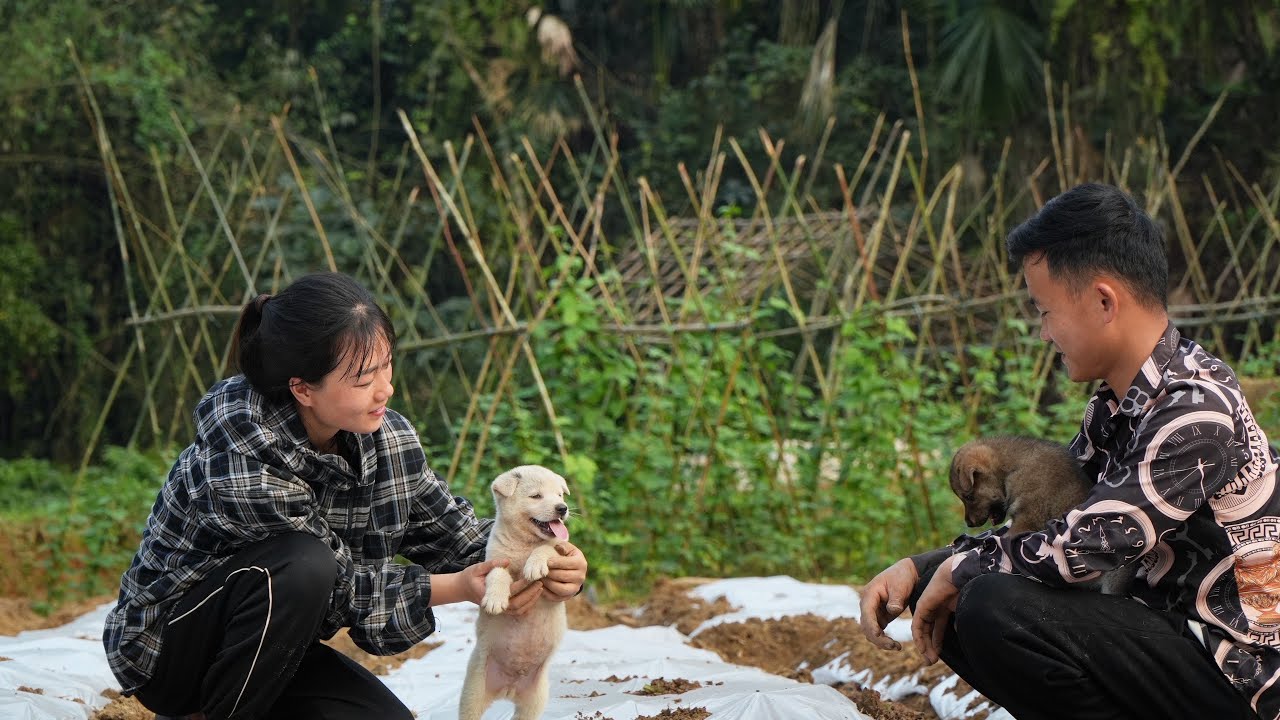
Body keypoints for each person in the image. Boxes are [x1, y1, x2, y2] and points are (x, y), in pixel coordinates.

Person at [859, 183, 1280, 720]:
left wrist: (956, 570)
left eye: (1044, 311)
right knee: (950, 595)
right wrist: (921, 569)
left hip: (1236, 673)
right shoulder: (1115, 407)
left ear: (1104, 301)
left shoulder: (1196, 412)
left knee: (988, 600)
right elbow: (1053, 526)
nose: (1042, 333)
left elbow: (1088, 544)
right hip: (1165, 638)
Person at [102, 272, 588, 719]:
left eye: (386, 366)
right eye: (363, 379)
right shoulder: (241, 449)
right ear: (303, 389)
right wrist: (459, 587)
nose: (386, 390)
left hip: (276, 654)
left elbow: (457, 539)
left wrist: (548, 556)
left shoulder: (387, 441)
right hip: (171, 651)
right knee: (304, 564)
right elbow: (336, 589)